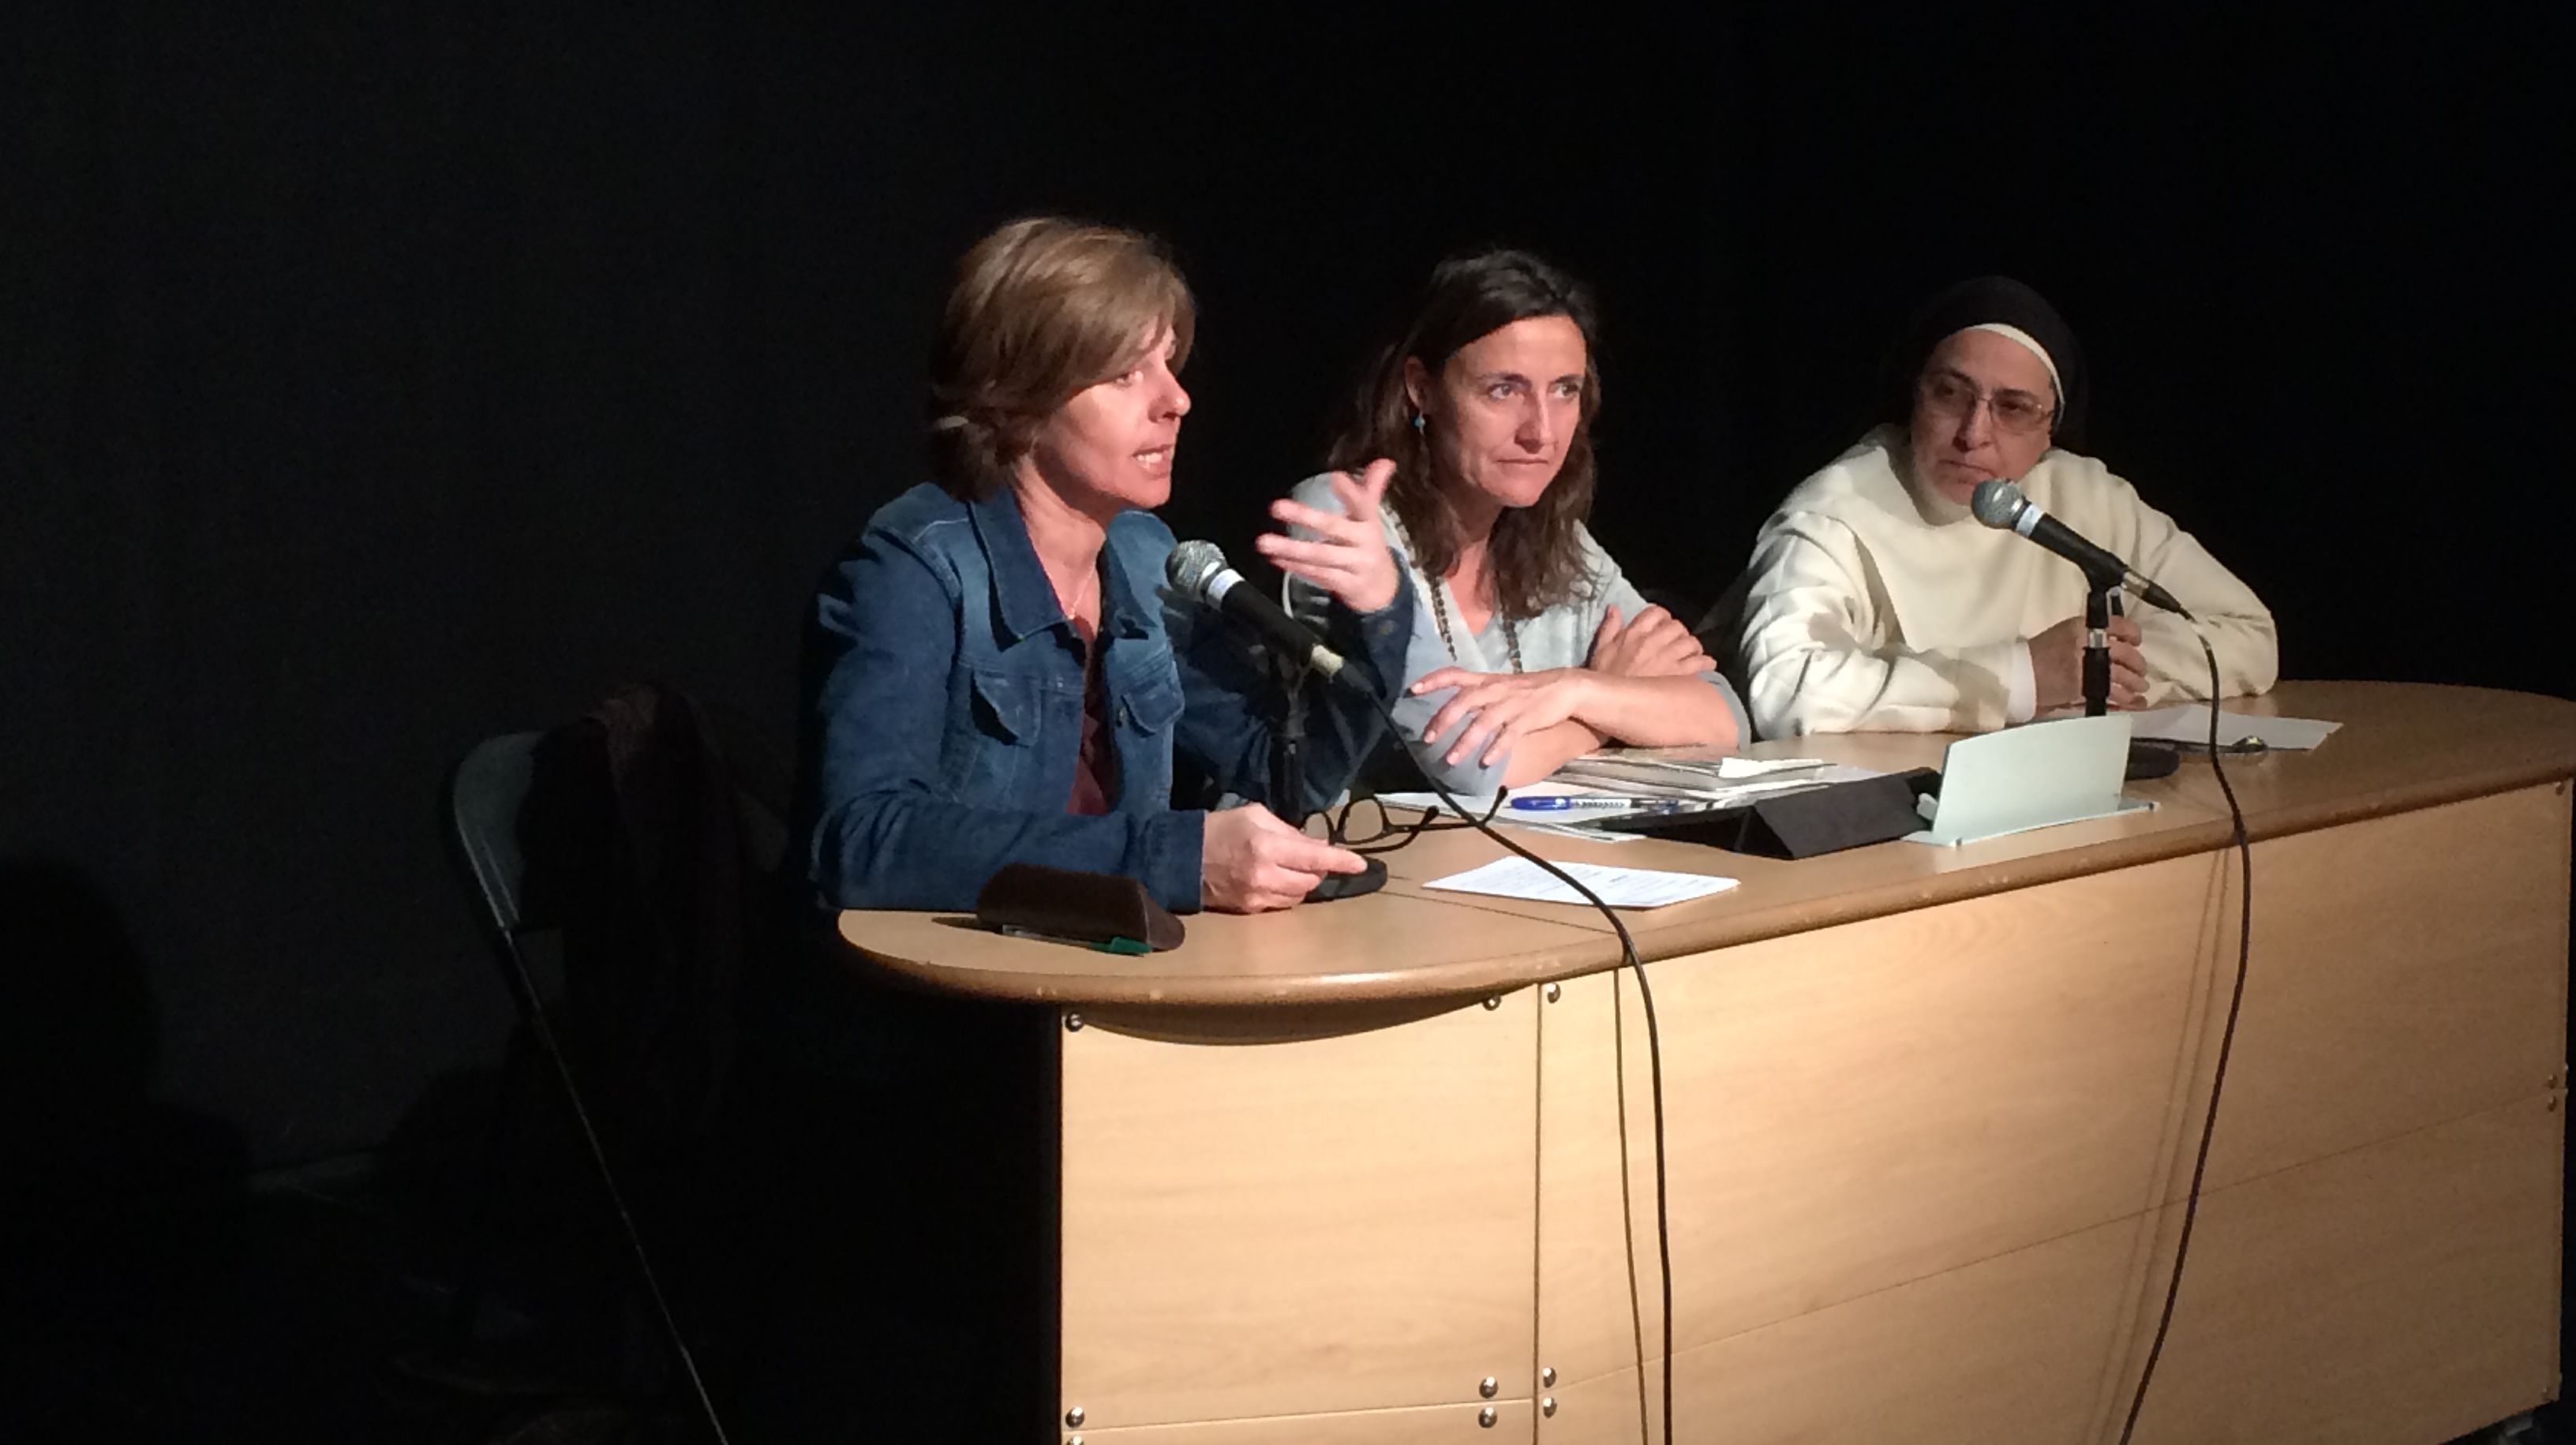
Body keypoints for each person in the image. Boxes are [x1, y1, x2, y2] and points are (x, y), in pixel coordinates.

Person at [796, 216, 1414, 915]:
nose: (1176, 401)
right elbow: (861, 842)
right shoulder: (911, 572)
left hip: (1110, 983)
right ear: (1017, 399)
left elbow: (1284, 777)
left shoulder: (1147, 557)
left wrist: (1377, 614)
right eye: (1126, 374)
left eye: (1170, 366)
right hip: (958, 1004)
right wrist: (1172, 859)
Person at [1727, 275, 2278, 738]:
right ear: (1913, 396)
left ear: (2050, 431)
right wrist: (2020, 677)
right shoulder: (1835, 511)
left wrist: (2103, 674)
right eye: (1950, 394)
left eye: (2013, 408)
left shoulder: (2088, 500)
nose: (1974, 434)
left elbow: (2246, 632)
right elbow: (1787, 690)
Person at [1286, 249, 1746, 797]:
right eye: (1504, 390)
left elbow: (1723, 716)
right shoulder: (1344, 516)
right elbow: (1471, 764)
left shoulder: (1556, 539)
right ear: (1422, 388)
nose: (1542, 432)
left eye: (1564, 390)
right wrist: (1611, 701)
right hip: (1350, 868)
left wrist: (1577, 690)